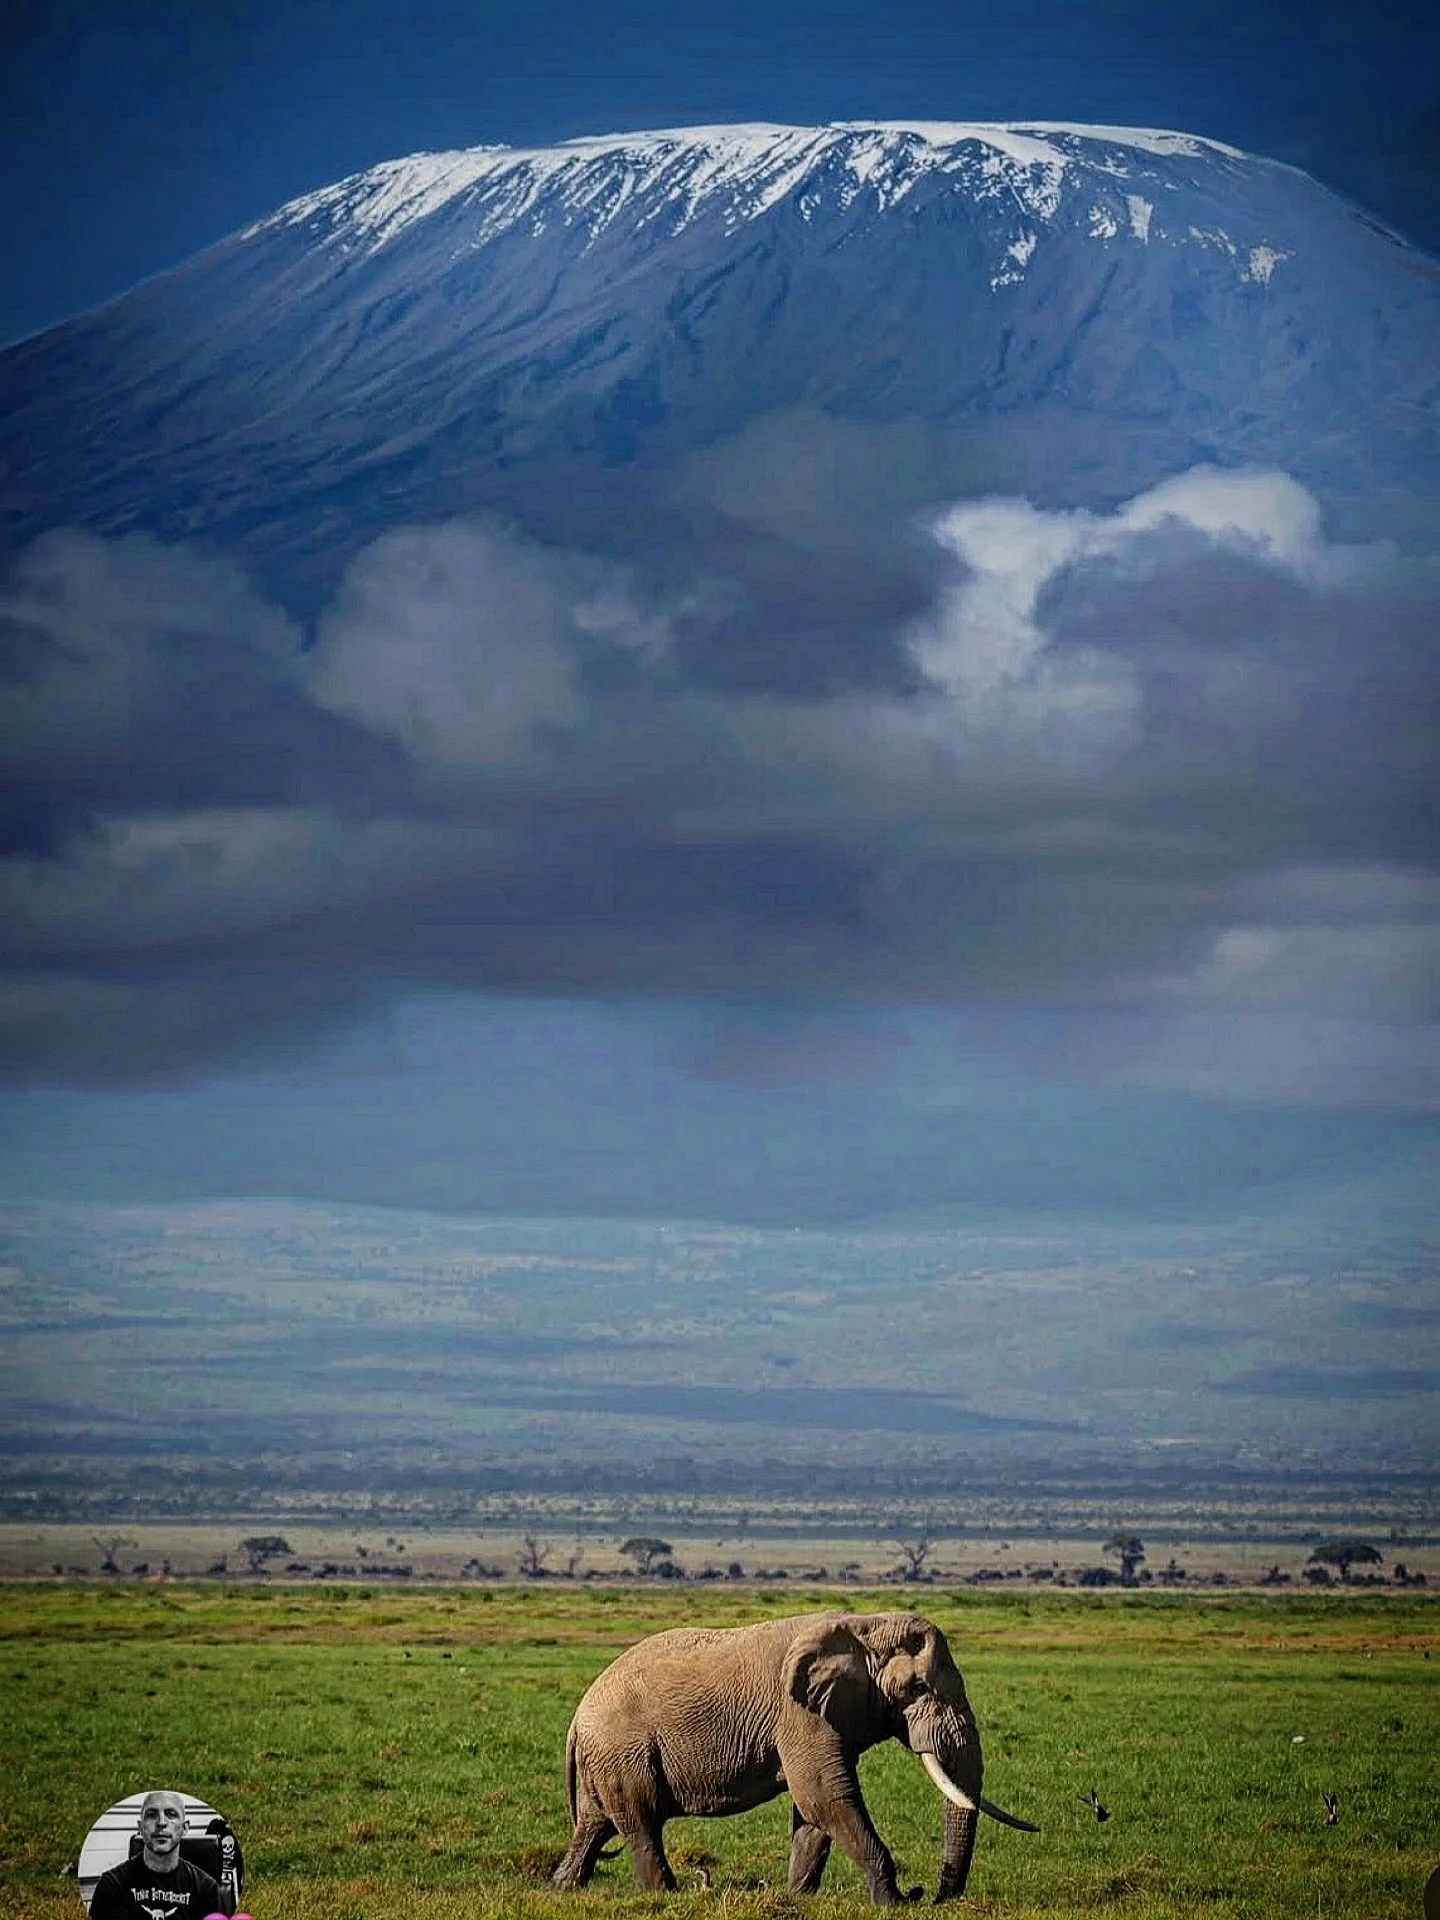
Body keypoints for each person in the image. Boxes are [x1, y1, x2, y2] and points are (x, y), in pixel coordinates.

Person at [90, 1793, 223, 1920]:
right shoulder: (112, 1885)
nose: (161, 1823)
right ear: (140, 1828)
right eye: (152, 1815)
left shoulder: (207, 1889)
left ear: (185, 1828)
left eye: (171, 1814)